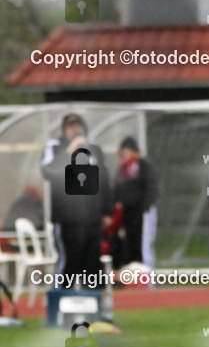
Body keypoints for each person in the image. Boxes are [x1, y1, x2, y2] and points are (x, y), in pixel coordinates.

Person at [39, 113, 113, 288]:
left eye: (78, 127)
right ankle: (62, 304)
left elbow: (105, 181)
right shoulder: (55, 147)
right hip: (67, 219)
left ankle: (94, 307)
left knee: (92, 265)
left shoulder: (94, 149)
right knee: (70, 264)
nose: (76, 131)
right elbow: (47, 171)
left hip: (92, 218)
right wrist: (68, 153)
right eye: (71, 127)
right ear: (65, 130)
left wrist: (107, 211)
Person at [112, 137, 159, 268]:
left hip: (143, 212)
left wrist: (146, 206)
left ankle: (149, 277)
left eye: (126, 152)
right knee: (131, 245)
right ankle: (134, 279)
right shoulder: (122, 169)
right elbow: (117, 188)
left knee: (145, 244)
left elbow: (151, 185)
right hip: (128, 215)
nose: (123, 156)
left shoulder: (143, 164)